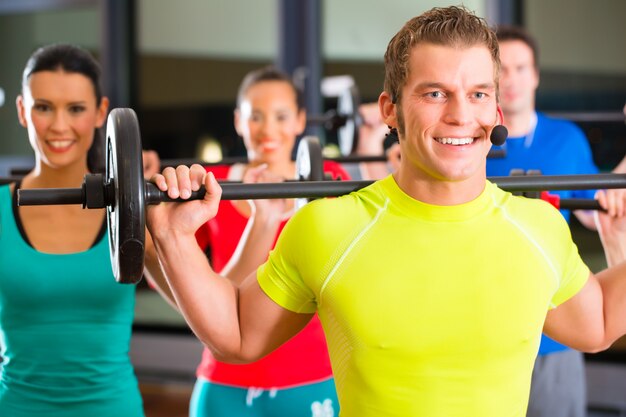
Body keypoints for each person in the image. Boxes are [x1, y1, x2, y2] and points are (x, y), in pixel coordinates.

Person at [145, 6, 626, 416]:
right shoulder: (329, 227)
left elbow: (600, 322)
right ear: (390, 111)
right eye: (435, 93)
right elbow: (237, 335)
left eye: (478, 93)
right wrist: (173, 240)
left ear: (496, 112)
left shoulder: (537, 228)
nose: (461, 114)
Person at [144, 67, 349, 417]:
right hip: (226, 382)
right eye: (255, 116)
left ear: (300, 121)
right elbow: (180, 272)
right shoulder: (208, 185)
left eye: (281, 116)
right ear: (239, 121)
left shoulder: (330, 178)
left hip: (311, 378)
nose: (268, 129)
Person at [0, 43, 158, 416]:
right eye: (43, 107)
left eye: (75, 108)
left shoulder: (135, 214)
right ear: (23, 111)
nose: (59, 125)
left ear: (101, 112)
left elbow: (209, 319)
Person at [485, 25, 595, 417]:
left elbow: (597, 211)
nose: (510, 79)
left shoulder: (567, 139)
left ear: (535, 75)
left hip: (555, 331)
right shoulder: (465, 142)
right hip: (483, 331)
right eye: (501, 69)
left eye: (520, 67)